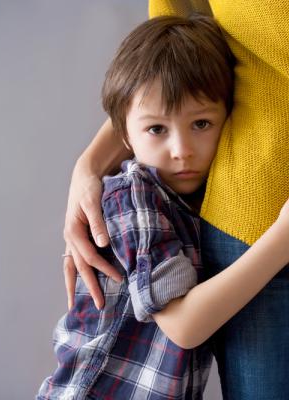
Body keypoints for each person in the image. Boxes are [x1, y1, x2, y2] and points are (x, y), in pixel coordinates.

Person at [38, 14, 289, 400]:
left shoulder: (184, 197)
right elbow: (184, 325)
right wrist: (282, 239)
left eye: (202, 124)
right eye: (157, 129)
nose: (182, 150)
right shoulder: (133, 197)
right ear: (124, 136)